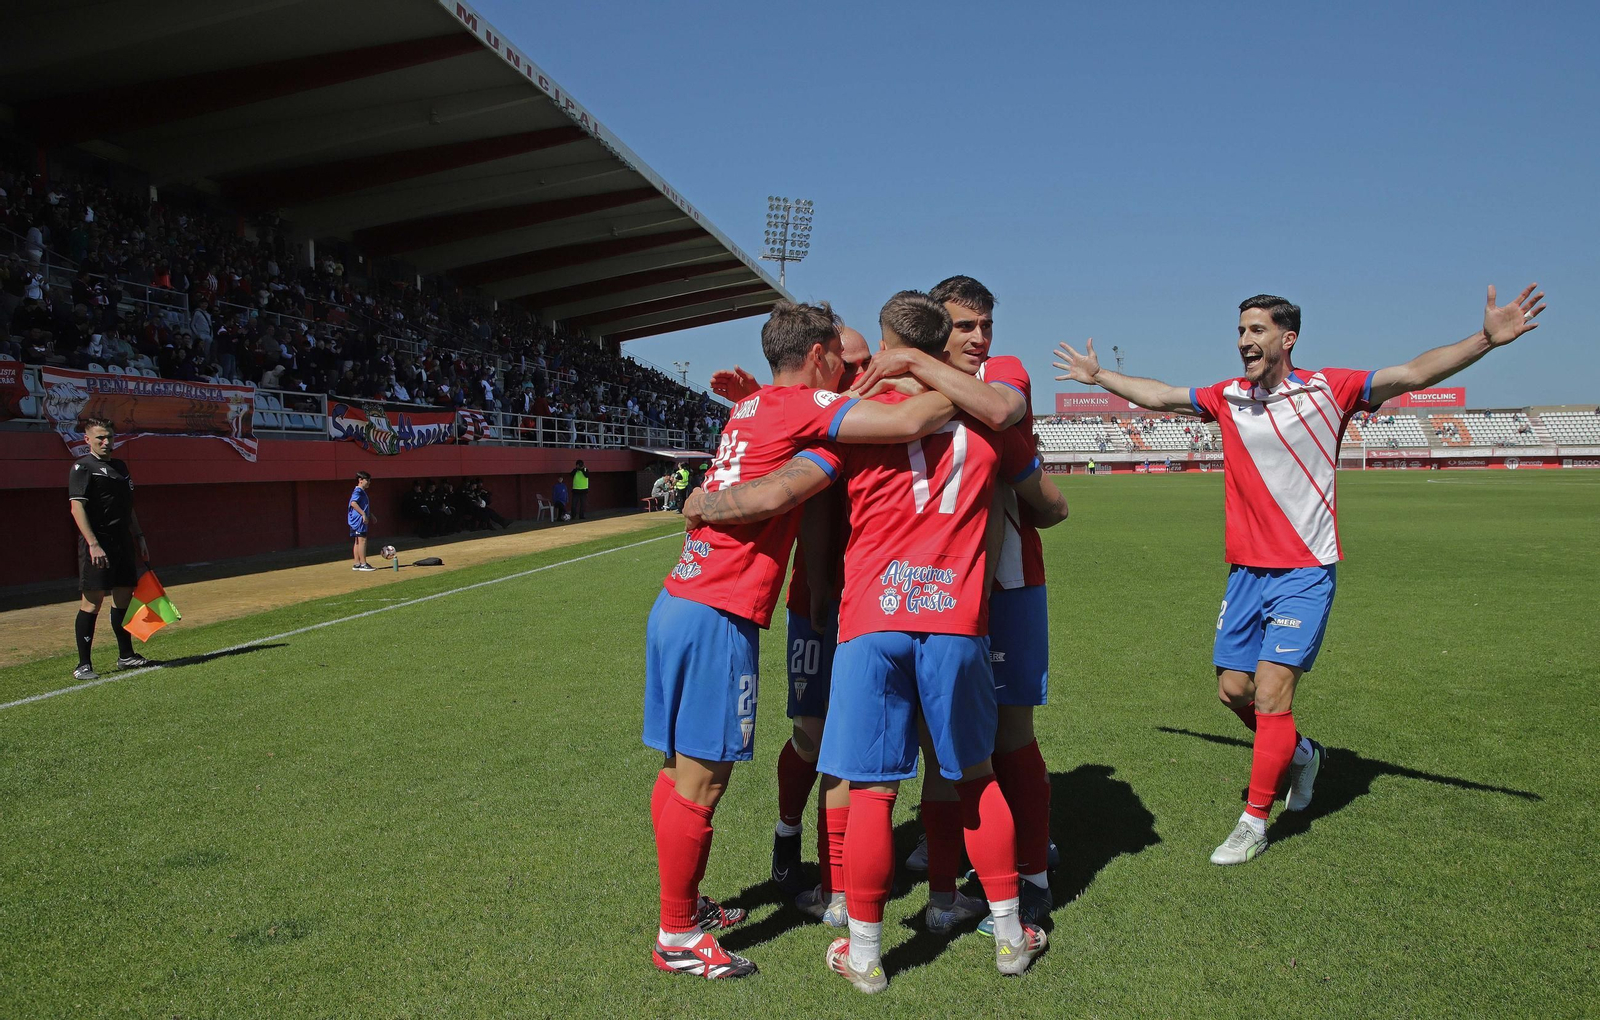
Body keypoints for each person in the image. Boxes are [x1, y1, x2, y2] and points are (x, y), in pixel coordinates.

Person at [1053, 284, 1546, 865]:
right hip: (1245, 572)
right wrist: (1099, 377)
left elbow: (1411, 373)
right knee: (1231, 691)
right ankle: (1304, 755)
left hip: (1305, 570)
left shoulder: (1328, 389)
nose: (1244, 342)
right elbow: (1159, 396)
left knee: (1270, 696)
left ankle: (1254, 821)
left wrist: (1486, 340)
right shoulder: (1227, 396)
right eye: (1240, 331)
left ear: (1288, 339)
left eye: (1256, 330)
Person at [684, 292, 1069, 989]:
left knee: (869, 791)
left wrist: (710, 499)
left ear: (891, 344)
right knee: (975, 778)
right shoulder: (983, 420)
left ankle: (863, 954)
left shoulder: (855, 427)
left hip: (871, 620)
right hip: (954, 621)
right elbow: (1042, 496)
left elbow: (787, 487)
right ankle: (1011, 935)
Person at [644, 300, 962, 980]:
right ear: (818, 357)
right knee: (703, 782)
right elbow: (911, 419)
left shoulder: (751, 409)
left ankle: (687, 906)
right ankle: (677, 934)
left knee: (676, 773)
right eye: (844, 364)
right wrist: (949, 381)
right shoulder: (801, 407)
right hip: (717, 608)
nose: (853, 373)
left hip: (679, 597)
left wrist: (699, 501)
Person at [67, 418, 153, 681]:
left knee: (123, 599)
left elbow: (128, 507)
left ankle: (126, 655)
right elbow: (76, 507)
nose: (106, 442)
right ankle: (83, 664)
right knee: (92, 603)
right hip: (97, 544)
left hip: (123, 543)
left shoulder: (120, 467)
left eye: (110, 438)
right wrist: (93, 544)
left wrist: (138, 537)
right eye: (100, 438)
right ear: (87, 440)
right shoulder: (83, 467)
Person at [349, 471, 375, 570]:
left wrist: (370, 514)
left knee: (357, 541)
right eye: (367, 480)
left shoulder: (361, 492)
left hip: (356, 520)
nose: (369, 482)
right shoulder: (358, 491)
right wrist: (363, 514)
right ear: (360, 480)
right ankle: (363, 563)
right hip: (358, 520)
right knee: (362, 540)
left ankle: (357, 563)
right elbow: (353, 503)